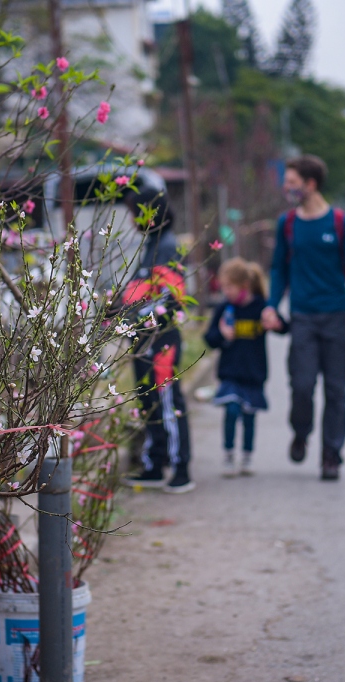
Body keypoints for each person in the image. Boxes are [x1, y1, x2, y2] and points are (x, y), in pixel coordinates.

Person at [260, 155, 345, 481]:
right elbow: (279, 267)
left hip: (336, 316)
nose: (287, 189)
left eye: (292, 183)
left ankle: (331, 455)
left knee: (336, 390)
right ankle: (301, 431)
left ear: (310, 184)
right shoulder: (288, 224)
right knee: (302, 385)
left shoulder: (340, 223)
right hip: (303, 318)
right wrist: (271, 305)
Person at [119, 189, 195, 493]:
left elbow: (171, 299)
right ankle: (154, 464)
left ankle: (181, 468)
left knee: (166, 402)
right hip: (142, 341)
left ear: (149, 213)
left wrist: (134, 316)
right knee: (148, 401)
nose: (130, 218)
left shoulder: (167, 247)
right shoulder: (151, 245)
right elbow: (137, 291)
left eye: (133, 211)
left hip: (161, 339)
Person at [204, 258, 286, 477]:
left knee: (249, 416)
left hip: (254, 374)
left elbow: (283, 326)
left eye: (229, 287)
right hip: (230, 374)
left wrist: (275, 323)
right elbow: (209, 339)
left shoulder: (261, 308)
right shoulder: (224, 309)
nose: (225, 292)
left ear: (244, 286)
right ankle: (229, 453)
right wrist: (221, 334)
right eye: (223, 287)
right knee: (231, 410)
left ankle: (247, 455)